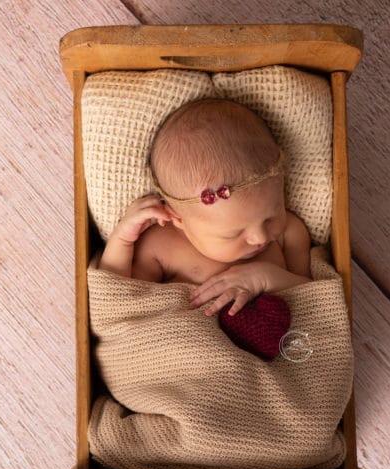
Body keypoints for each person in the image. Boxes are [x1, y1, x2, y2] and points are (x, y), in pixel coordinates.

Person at [99, 98, 312, 316]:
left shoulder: (289, 232)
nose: (260, 238)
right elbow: (119, 300)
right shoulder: (162, 245)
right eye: (233, 234)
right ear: (179, 219)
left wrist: (266, 278)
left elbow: (311, 299)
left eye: (271, 216)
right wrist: (122, 240)